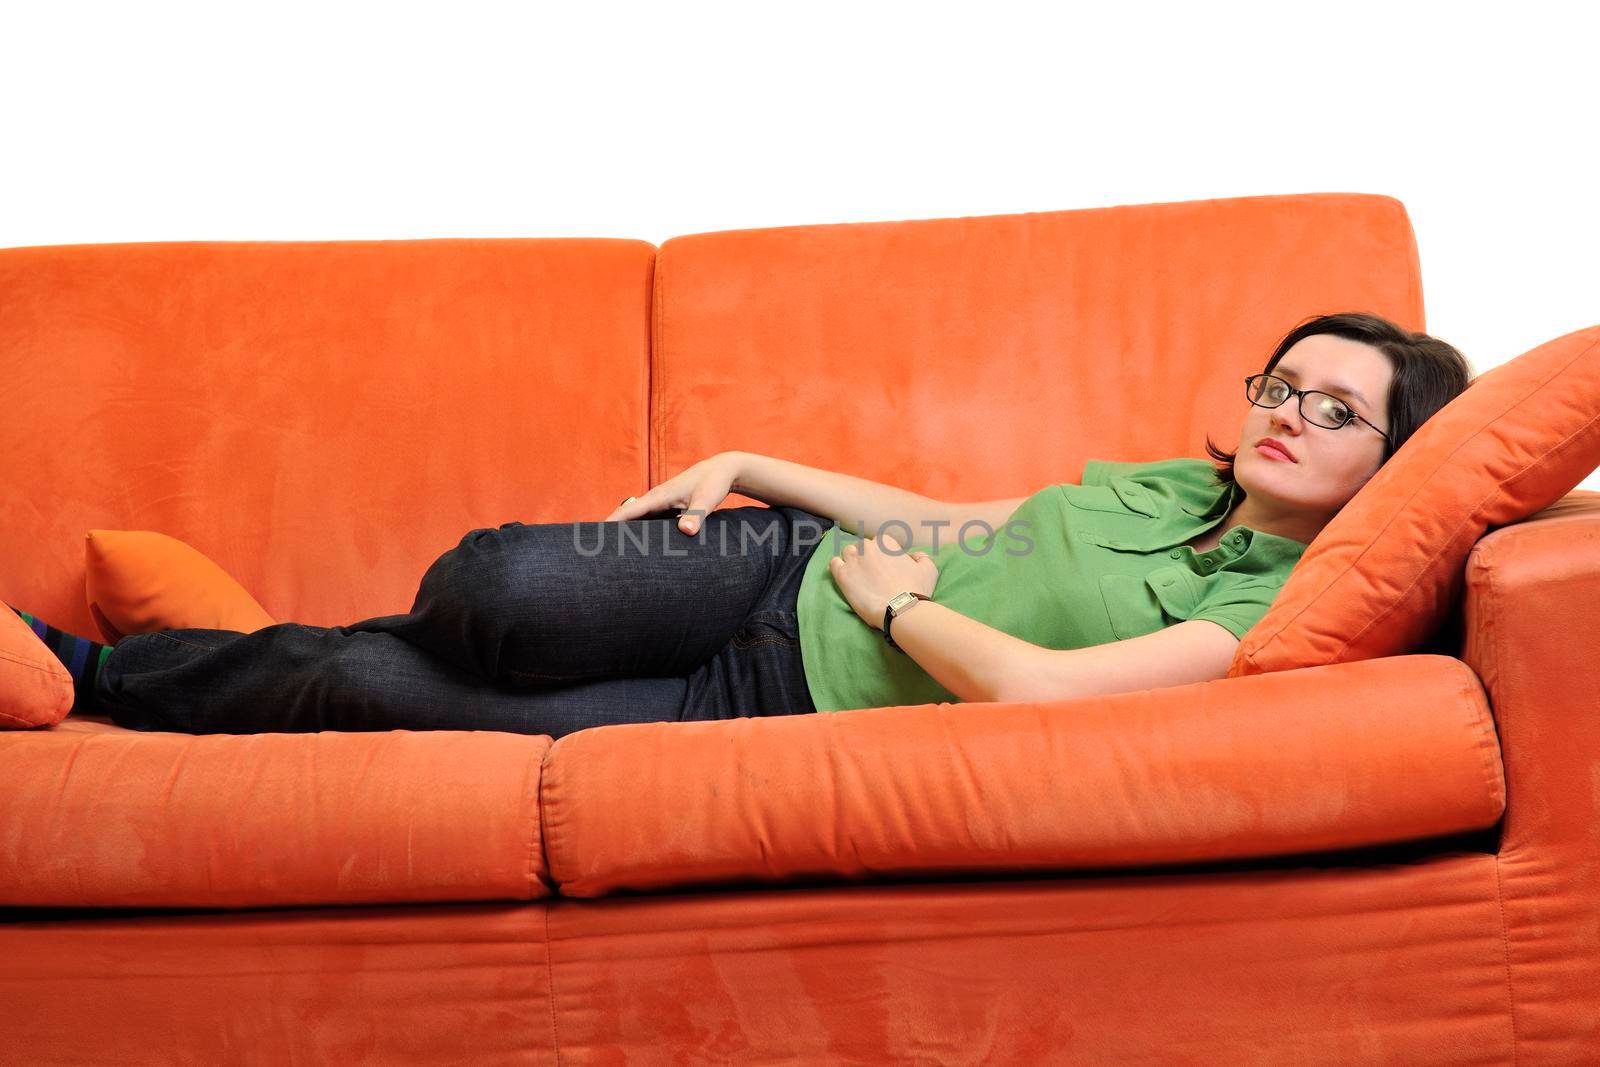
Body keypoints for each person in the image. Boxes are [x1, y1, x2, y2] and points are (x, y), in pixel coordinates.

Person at [11, 311, 1471, 740]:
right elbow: (953, 518)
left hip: (778, 695)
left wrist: (903, 614)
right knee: (502, 586)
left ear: (1396, 458)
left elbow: (1036, 694)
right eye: (1282, 382)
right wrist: (758, 466)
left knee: (364, 685)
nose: (1288, 410)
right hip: (772, 566)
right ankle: (202, 646)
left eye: (1337, 408)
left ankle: (77, 669)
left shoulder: (1272, 620)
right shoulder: (1168, 485)